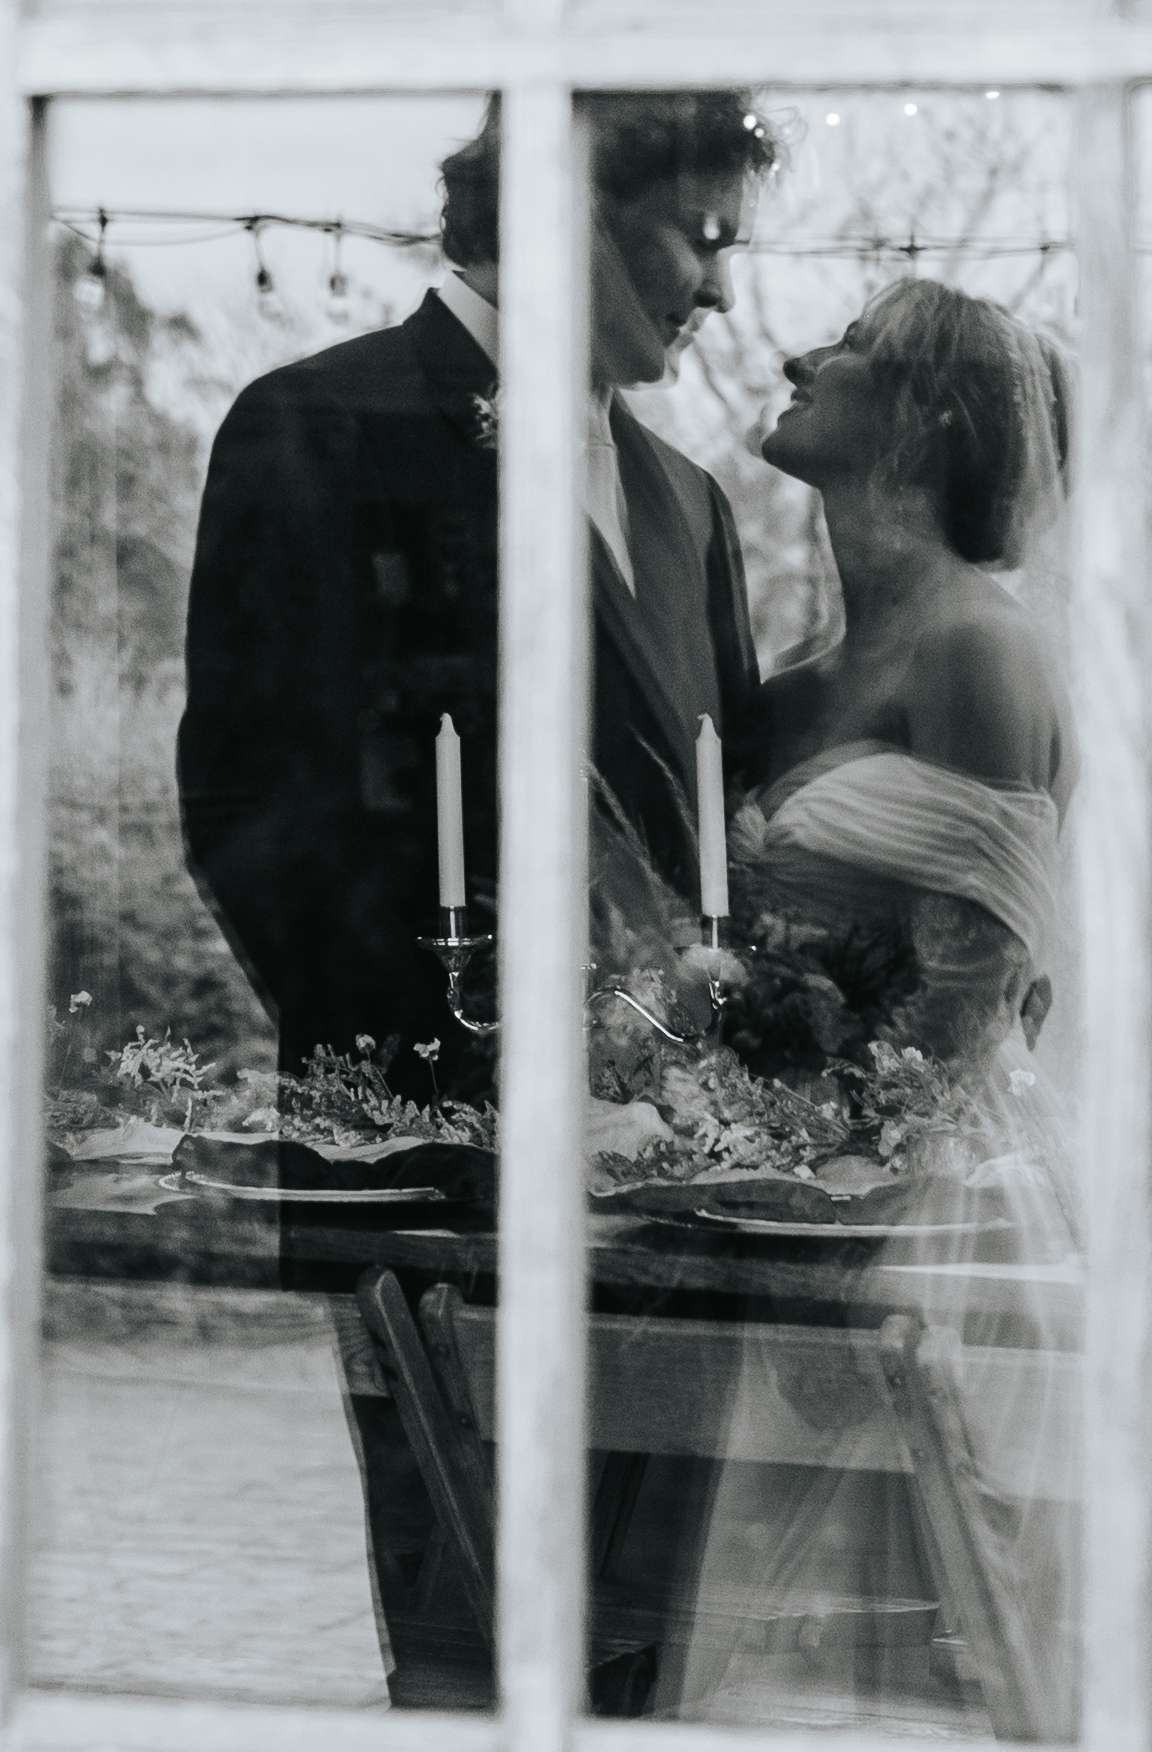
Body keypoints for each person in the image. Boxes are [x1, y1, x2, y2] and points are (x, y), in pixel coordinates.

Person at [658, 279, 1080, 1734]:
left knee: (934, 1658)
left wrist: (839, 1211)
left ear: (931, 420)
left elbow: (980, 993)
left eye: (848, 347)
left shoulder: (983, 650)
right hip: (792, 1215)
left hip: (923, 1228)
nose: (796, 351)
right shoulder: (793, 691)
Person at [177, 93, 773, 1111]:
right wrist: (444, 1072)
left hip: (673, 1169)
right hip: (420, 1167)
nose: (720, 290)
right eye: (702, 238)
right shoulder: (323, 425)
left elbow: (720, 828)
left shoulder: (694, 506)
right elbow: (251, 807)